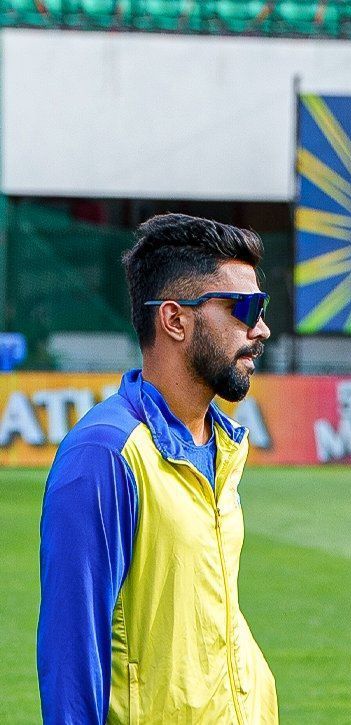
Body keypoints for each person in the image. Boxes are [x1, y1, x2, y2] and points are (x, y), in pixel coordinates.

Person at [37, 214, 279, 723]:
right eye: (244, 308)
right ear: (174, 320)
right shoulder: (104, 455)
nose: (262, 328)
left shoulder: (222, 442)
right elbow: (71, 653)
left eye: (263, 306)